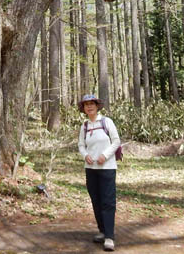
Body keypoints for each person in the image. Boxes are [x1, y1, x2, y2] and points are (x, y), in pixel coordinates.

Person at [77, 94, 120, 252]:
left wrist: (105, 155)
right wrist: (85, 155)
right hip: (91, 169)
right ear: (84, 109)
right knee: (96, 200)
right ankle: (102, 231)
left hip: (107, 168)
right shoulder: (85, 126)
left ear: (97, 106)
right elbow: (81, 145)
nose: (89, 107)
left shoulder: (106, 122)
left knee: (108, 201)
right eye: (86, 105)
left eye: (92, 104)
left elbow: (116, 141)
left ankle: (109, 237)